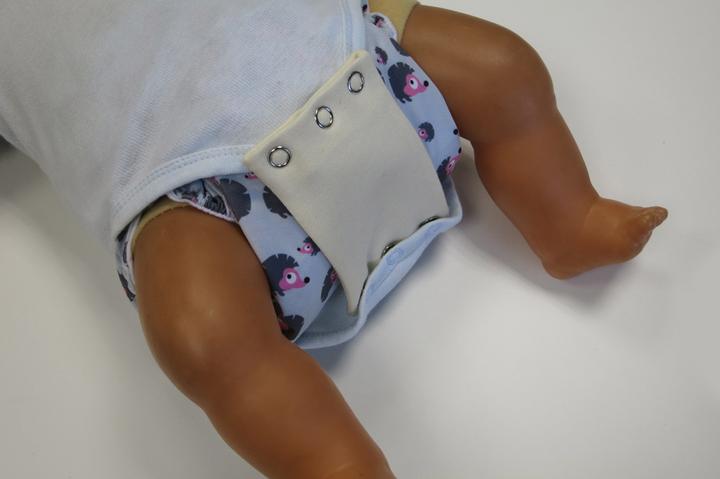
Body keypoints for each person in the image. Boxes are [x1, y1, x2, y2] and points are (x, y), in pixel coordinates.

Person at [0, 1, 667, 477]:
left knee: (503, 69)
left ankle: (569, 218)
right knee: (199, 334)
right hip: (190, 191)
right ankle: (330, 460)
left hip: (350, 49)